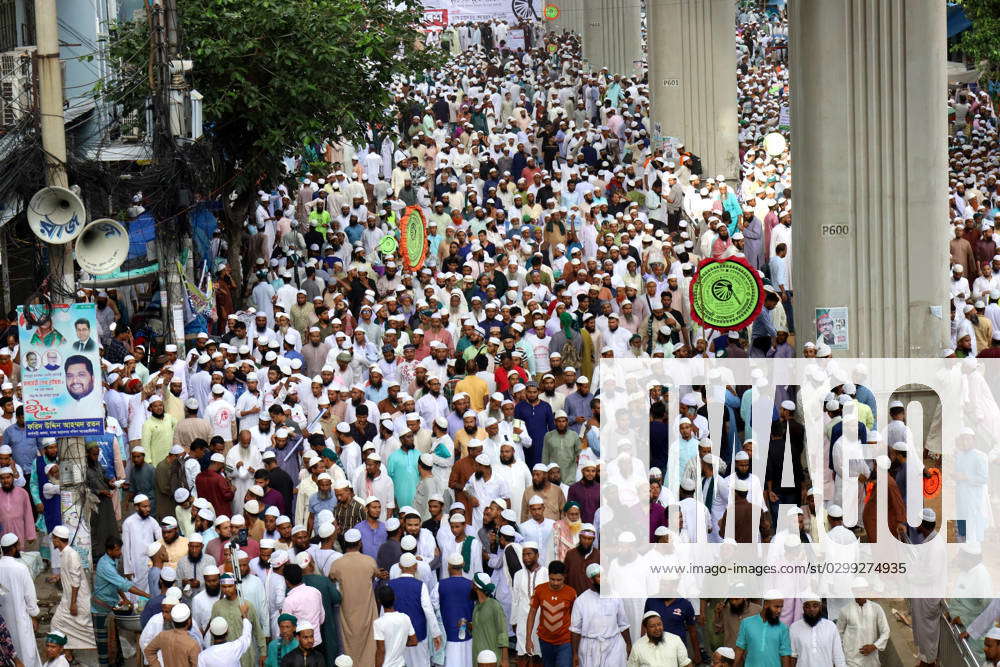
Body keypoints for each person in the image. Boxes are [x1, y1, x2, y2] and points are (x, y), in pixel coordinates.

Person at [328, 528, 378, 665]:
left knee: (349, 644)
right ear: (360, 543)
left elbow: (331, 579)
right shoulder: (369, 561)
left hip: (347, 611)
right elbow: (374, 576)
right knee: (369, 644)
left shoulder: (337, 564)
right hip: (367, 610)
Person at [569, 564, 631, 665]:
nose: (604, 579)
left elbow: (623, 624)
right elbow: (575, 630)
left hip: (614, 645)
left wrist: (629, 644)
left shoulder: (615, 596)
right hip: (589, 648)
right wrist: (575, 653)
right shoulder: (581, 601)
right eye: (599, 577)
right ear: (591, 580)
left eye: (604, 576)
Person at [48, 528, 96, 654]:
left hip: (77, 600)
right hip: (68, 599)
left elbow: (76, 582)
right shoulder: (64, 553)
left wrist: (73, 603)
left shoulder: (72, 554)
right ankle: (67, 652)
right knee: (57, 624)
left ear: (58, 540)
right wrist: (59, 576)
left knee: (86, 631)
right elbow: (70, 573)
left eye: (53, 539)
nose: (52, 541)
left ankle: (98, 649)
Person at [0, 532, 40, 667]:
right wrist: (34, 615)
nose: (20, 548)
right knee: (26, 651)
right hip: (21, 618)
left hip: (3, 621)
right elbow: (30, 596)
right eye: (18, 545)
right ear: (12, 549)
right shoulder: (21, 568)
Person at [210, 573, 267, 667]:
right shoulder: (217, 607)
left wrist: (263, 652)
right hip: (226, 655)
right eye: (224, 586)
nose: (227, 589)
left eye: (230, 586)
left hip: (246, 653)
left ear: (236, 586)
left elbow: (257, 630)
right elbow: (214, 633)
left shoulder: (246, 605)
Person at [526, 560, 577, 664]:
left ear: (565, 577)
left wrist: (575, 645)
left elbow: (575, 618)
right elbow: (532, 614)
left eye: (559, 580)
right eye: (552, 579)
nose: (555, 583)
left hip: (565, 642)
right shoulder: (539, 590)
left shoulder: (571, 593)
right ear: (548, 575)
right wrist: (528, 639)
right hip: (544, 641)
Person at [734, 593, 792, 666]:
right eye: (776, 607)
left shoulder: (783, 628)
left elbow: (785, 655)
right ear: (765, 604)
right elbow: (739, 649)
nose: (779, 610)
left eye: (781, 607)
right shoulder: (746, 623)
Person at [373, 585, 418, 667]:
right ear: (394, 598)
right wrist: (400, 643)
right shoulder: (405, 617)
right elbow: (414, 641)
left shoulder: (378, 623)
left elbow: (381, 651)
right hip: (402, 664)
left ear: (379, 601)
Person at [626, 611, 691, 666]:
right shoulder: (637, 646)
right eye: (652, 626)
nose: (657, 629)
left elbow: (686, 664)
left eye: (659, 624)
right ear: (645, 629)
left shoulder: (675, 640)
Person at [471, 572, 509, 665]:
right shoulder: (476, 606)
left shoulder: (494, 606)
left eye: (472, 583)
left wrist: (505, 659)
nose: (470, 585)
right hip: (478, 657)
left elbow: (502, 632)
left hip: (492, 658)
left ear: (476, 587)